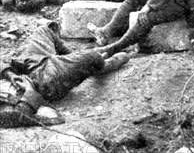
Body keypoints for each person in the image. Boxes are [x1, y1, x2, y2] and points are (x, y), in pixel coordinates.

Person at [0, 21, 129, 127]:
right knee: (93, 57)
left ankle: (74, 57)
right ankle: (103, 64)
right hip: (44, 83)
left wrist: (9, 74)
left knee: (43, 30)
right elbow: (17, 117)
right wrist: (29, 90)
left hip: (30, 65)